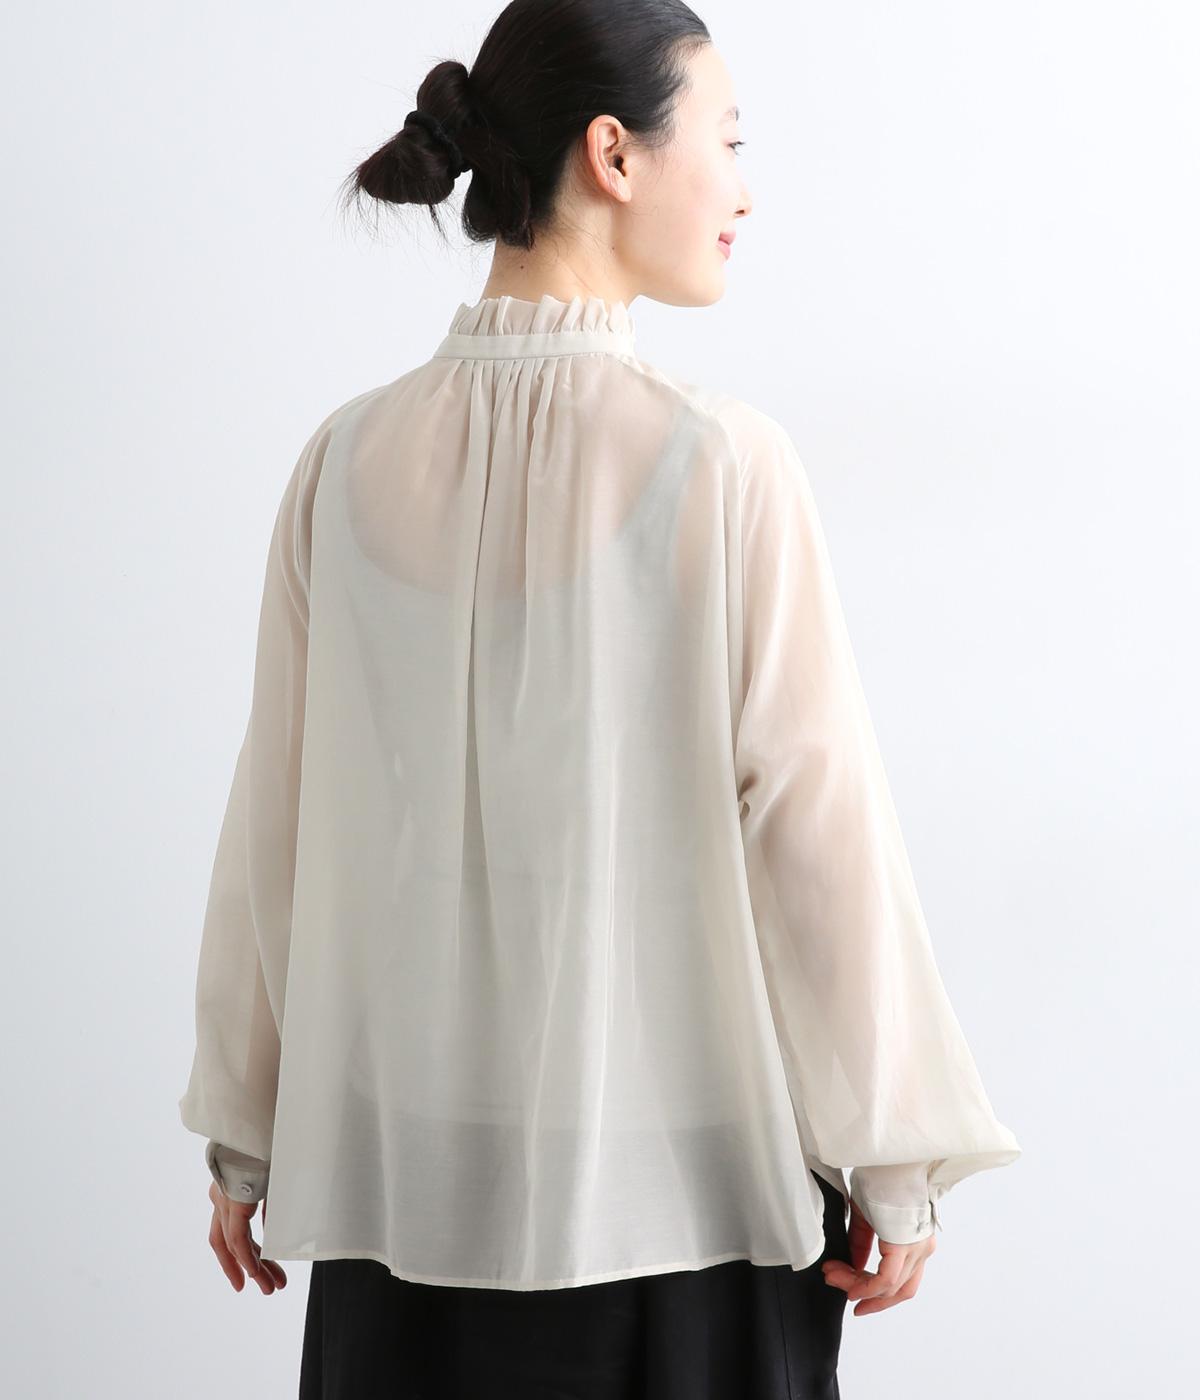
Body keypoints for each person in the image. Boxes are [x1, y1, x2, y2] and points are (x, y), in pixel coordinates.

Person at [178, 2, 1022, 1395]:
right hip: (682, 1212)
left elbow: (276, 827)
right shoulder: (720, 465)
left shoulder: (341, 462)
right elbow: (814, 836)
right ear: (613, 153)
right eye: (730, 140)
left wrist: (246, 1132)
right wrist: (894, 1161)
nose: (746, 189)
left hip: (405, 1201)